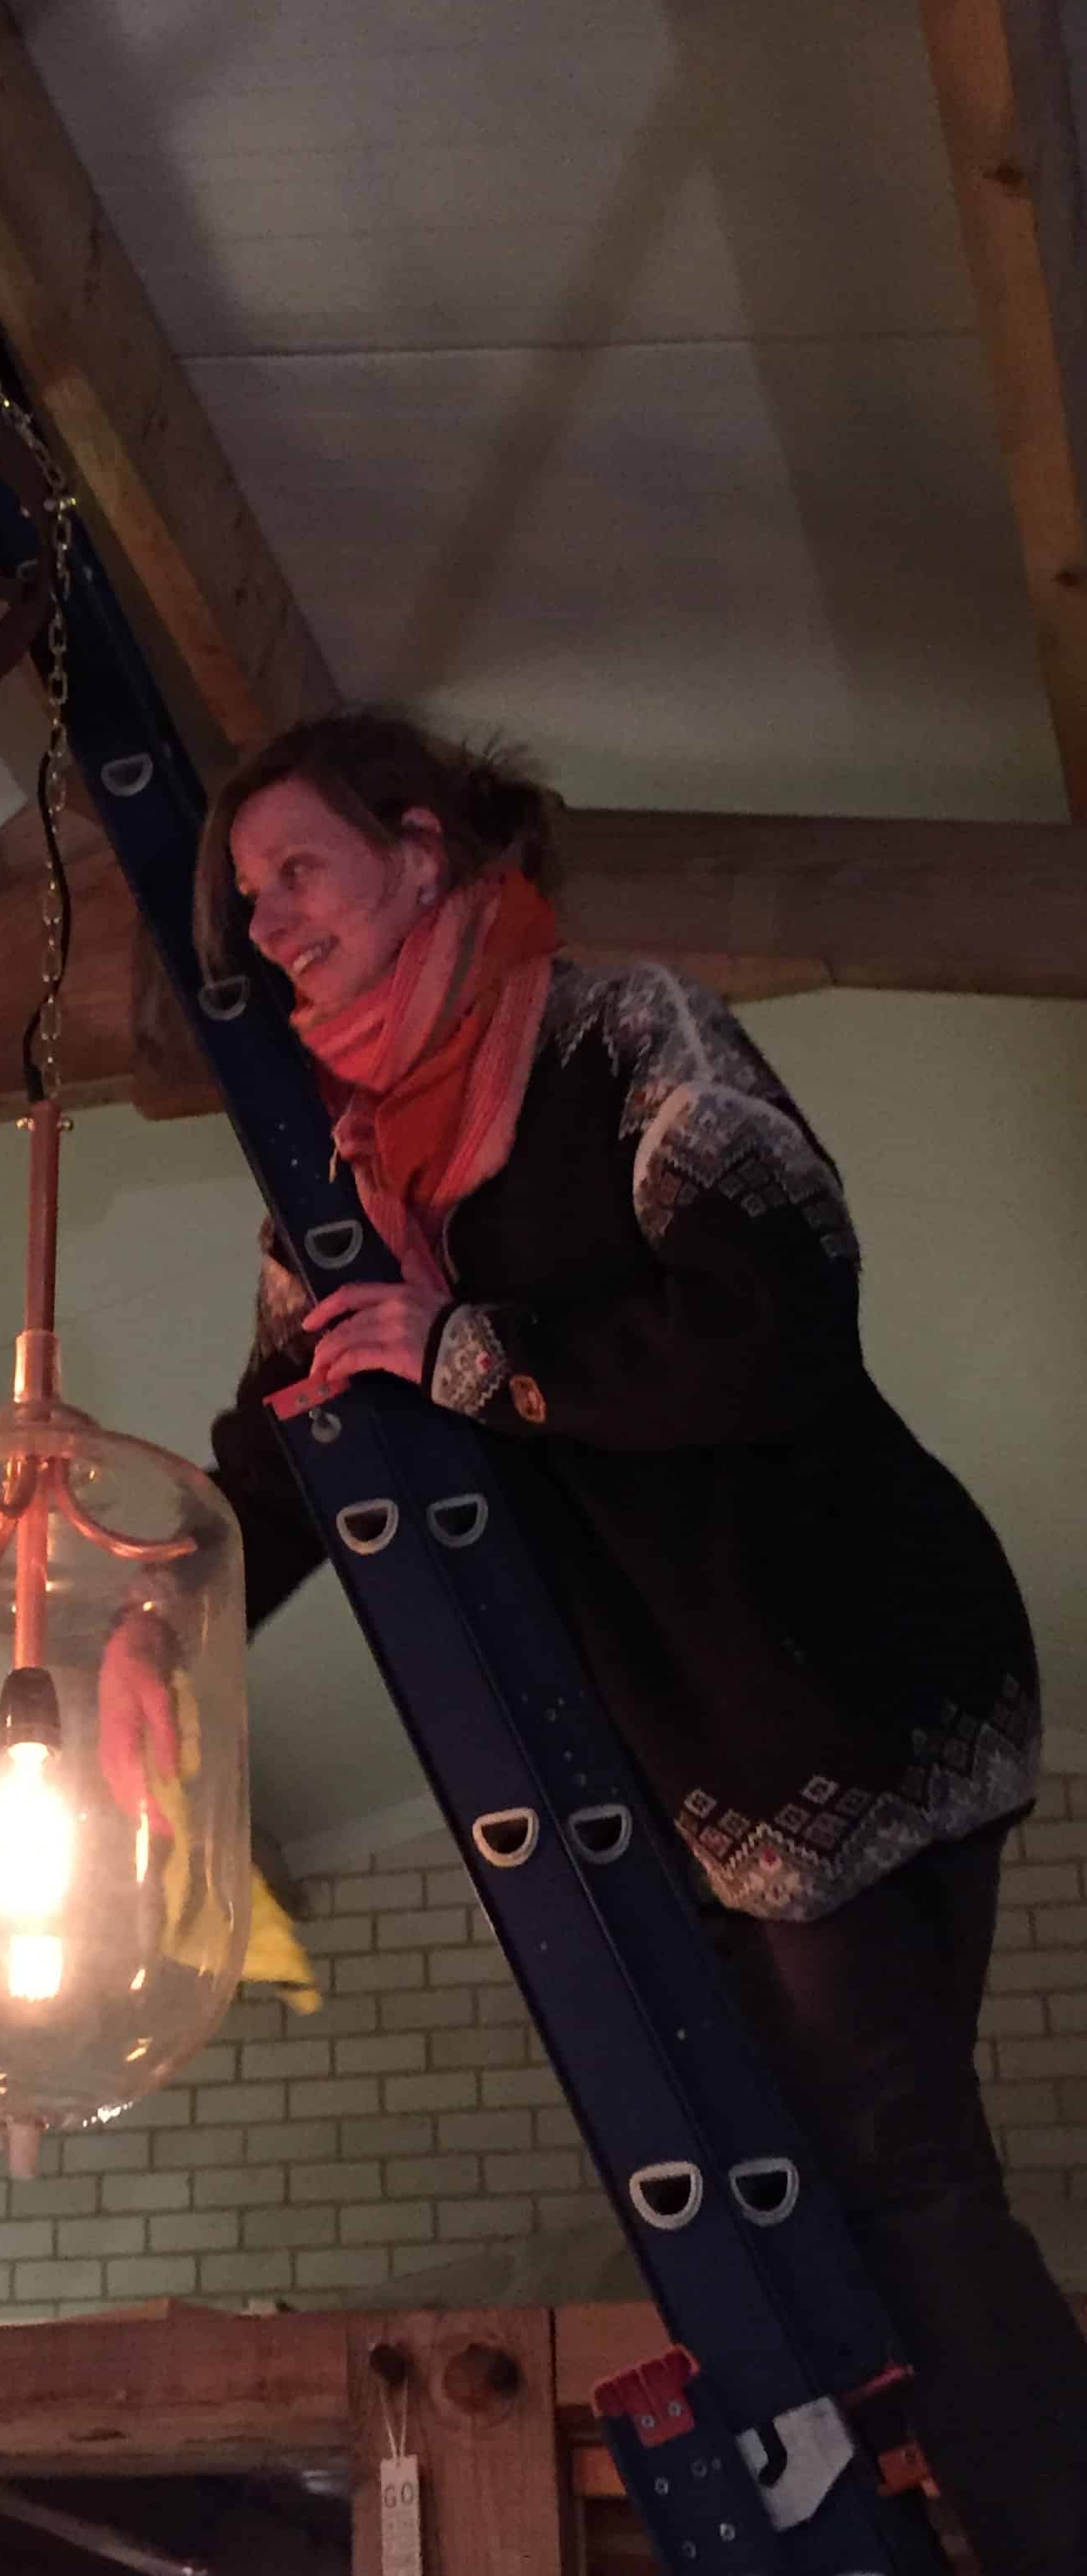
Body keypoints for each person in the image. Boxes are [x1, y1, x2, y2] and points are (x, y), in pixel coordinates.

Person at [113, 707, 1087, 2570]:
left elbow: (771, 1321)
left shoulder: (629, 1036)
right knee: (809, 2191)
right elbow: (295, 1451)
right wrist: (154, 1618)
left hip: (843, 1671)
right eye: (250, 895)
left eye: (300, 869)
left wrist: (469, 1353)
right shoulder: (333, 1173)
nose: (272, 920)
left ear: (421, 849)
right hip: (686, 1731)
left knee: (896, 2173)